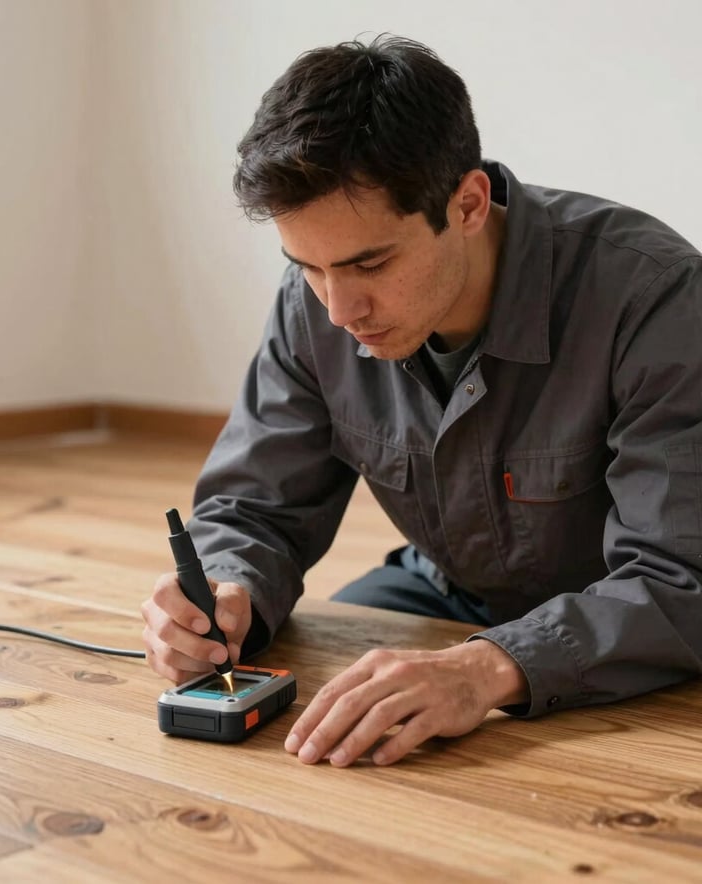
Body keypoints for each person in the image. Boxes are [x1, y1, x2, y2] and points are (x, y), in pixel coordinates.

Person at [141, 35, 702, 767]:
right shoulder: (314, 307)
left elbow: (682, 577)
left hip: (633, 624)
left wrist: (485, 668)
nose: (339, 309)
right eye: (306, 266)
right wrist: (224, 589)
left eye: (369, 263)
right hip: (448, 590)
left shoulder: (653, 296)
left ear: (467, 203)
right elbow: (254, 507)